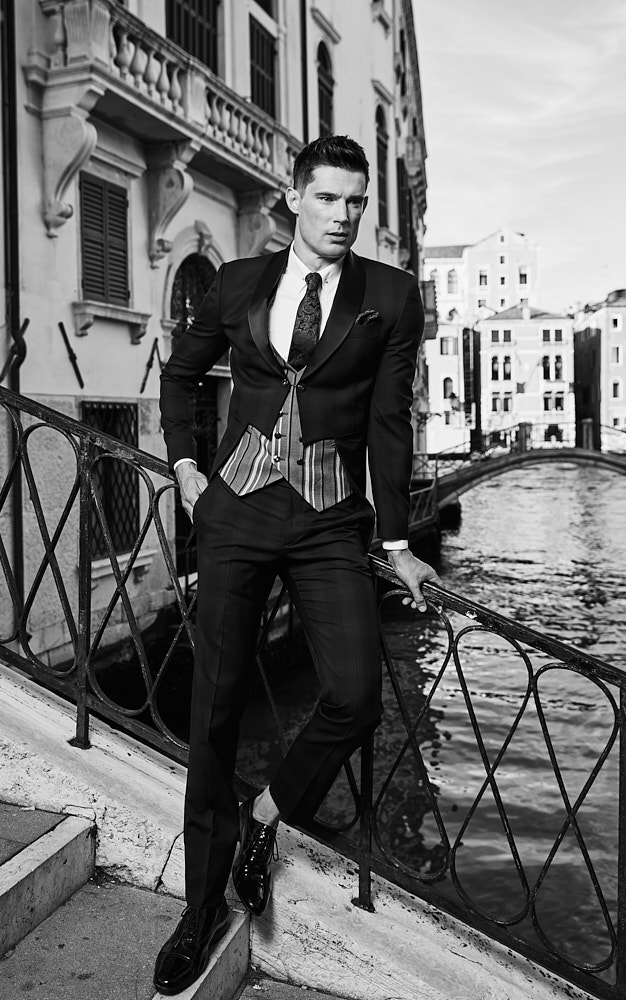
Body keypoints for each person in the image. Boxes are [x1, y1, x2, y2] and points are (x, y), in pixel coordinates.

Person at [153, 134, 439, 995]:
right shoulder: (238, 282)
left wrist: (397, 543)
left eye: (357, 201)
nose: (345, 216)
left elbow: (390, 421)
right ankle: (200, 908)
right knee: (215, 711)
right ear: (294, 199)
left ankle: (265, 814)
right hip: (236, 512)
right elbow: (184, 375)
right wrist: (187, 469)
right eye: (329, 199)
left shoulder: (388, 296)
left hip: (327, 522)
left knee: (355, 695)